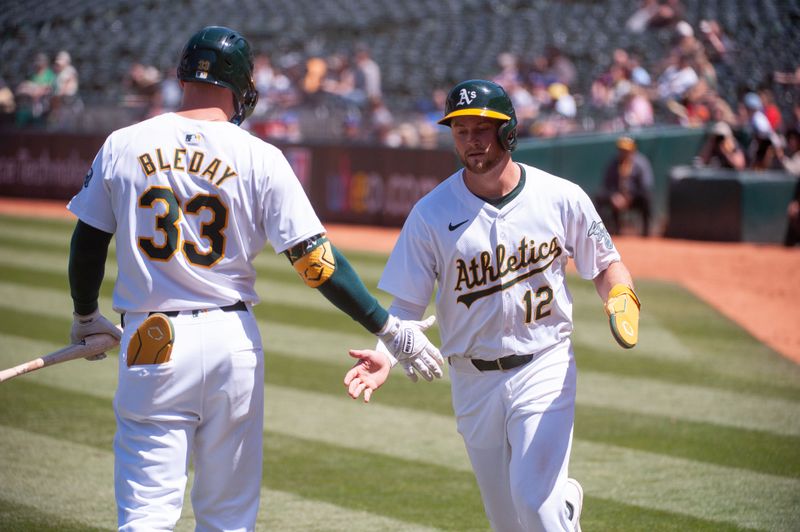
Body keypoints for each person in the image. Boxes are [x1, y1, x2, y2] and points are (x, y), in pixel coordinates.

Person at [65, 26, 443, 531]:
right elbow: (316, 262)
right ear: (240, 86)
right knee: (227, 519)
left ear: (182, 76)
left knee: (146, 515)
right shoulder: (260, 155)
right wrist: (388, 328)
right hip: (231, 342)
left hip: (151, 340)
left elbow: (88, 243)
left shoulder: (123, 143)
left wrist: (87, 316)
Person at [345, 79, 642, 532]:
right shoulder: (430, 213)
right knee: (507, 522)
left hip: (543, 363)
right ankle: (564, 509)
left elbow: (606, 265)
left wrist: (620, 294)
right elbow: (406, 300)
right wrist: (386, 355)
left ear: (509, 131)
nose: (472, 140)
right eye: (461, 130)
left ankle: (554, 510)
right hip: (472, 378)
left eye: (483, 128)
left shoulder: (559, 197)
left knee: (534, 505)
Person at [594, 136, 654, 236]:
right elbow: (606, 185)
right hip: (617, 198)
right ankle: (602, 232)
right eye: (621, 150)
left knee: (646, 197)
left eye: (626, 150)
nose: (623, 152)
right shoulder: (613, 164)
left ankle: (646, 233)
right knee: (599, 197)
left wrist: (629, 197)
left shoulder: (641, 163)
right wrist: (613, 196)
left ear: (632, 151)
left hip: (634, 198)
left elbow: (645, 186)